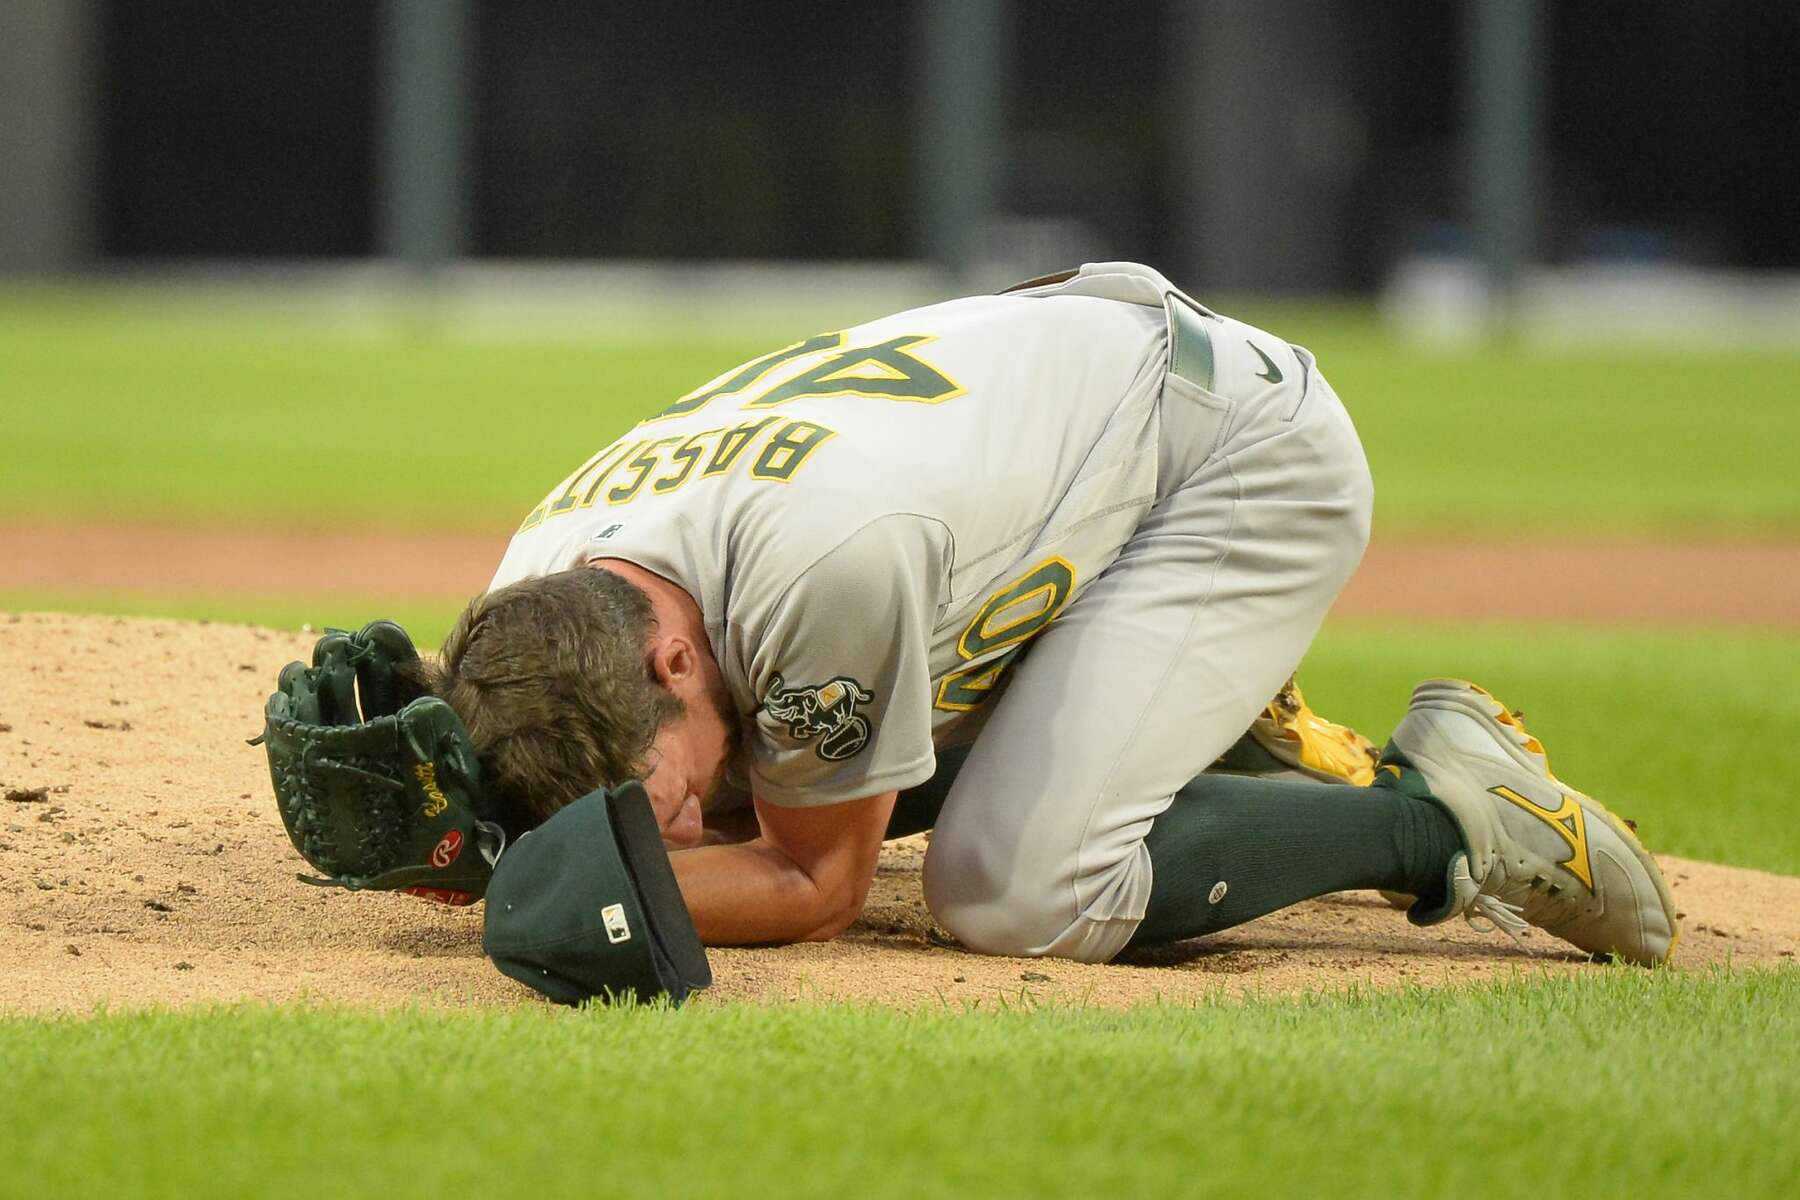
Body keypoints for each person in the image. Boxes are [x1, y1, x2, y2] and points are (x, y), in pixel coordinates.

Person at [422, 262, 1677, 966]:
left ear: (670, 648)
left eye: (663, 785)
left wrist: (525, 880)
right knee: (759, 757)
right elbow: (646, 773)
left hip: (1230, 459)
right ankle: (1193, 715)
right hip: (1058, 425)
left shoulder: (832, 561)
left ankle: (1440, 816)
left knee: (1012, 894)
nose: (679, 822)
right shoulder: (546, 566)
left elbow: (819, 881)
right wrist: (455, 811)